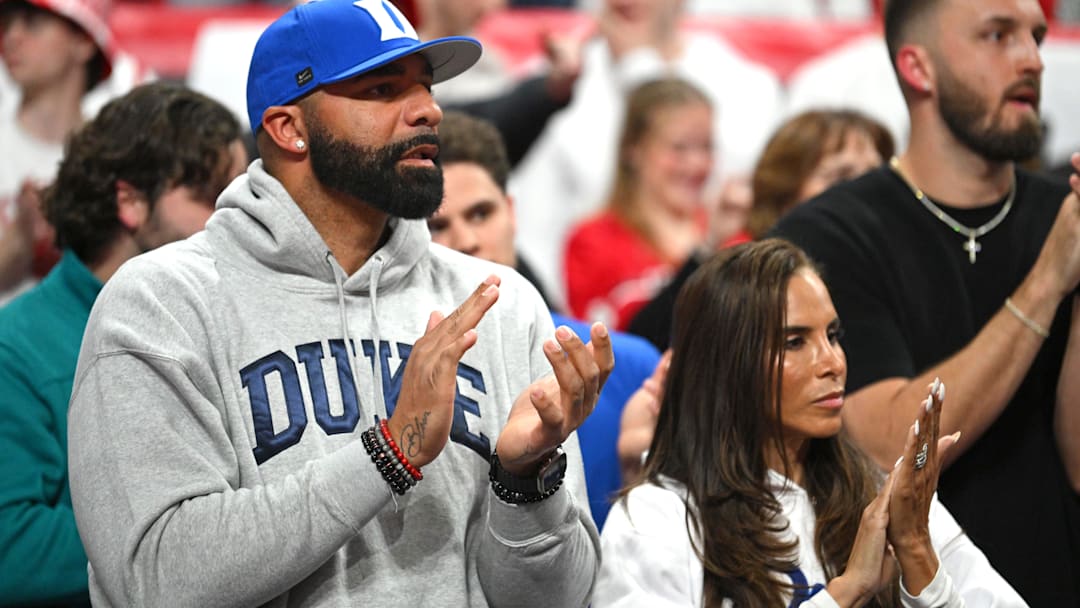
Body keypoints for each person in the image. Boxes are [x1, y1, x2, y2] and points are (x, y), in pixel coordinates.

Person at [67, 1, 612, 606]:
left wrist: (523, 483)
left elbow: (560, 600)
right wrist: (389, 452)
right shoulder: (162, 306)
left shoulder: (497, 303)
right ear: (288, 129)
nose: (428, 110)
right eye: (382, 89)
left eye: (425, 88)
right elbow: (156, 580)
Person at [769, 0, 1080, 604]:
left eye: (1037, 37)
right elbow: (887, 448)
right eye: (998, 35)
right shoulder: (831, 234)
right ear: (919, 67)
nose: (1032, 59)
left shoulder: (1061, 219)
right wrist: (1049, 281)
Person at [595, 239, 1026, 606]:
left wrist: (917, 555)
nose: (833, 362)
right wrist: (844, 593)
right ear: (727, 364)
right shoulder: (656, 520)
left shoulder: (882, 496)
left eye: (833, 336)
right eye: (795, 342)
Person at [0, 82, 245, 606]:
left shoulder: (232, 314)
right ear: (130, 201)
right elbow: (11, 547)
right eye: (210, 194)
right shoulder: (15, 348)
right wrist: (179, 542)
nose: (236, 215)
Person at [430, 109, 661, 529]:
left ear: (512, 212)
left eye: (481, 214)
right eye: (437, 225)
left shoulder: (632, 366)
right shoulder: (409, 379)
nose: (466, 240)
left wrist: (641, 481)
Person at [509, 0, 783, 308]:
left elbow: (746, 201)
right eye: (681, 149)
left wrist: (639, 67)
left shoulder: (748, 85)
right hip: (585, 307)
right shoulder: (554, 84)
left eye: (702, 147)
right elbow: (530, 235)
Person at [626, 108, 894, 351]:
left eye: (874, 174)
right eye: (840, 176)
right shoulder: (746, 277)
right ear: (784, 194)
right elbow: (643, 347)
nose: (863, 191)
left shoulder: (891, 268)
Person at [564, 78, 713, 331]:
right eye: (679, 148)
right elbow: (602, 347)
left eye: (707, 147)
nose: (697, 164)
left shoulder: (723, 231)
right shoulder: (593, 241)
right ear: (633, 149)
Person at [0, 0, 113, 304]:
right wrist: (19, 244)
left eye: (33, 23)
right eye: (8, 23)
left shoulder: (116, 158)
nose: (12, 36)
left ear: (84, 41)